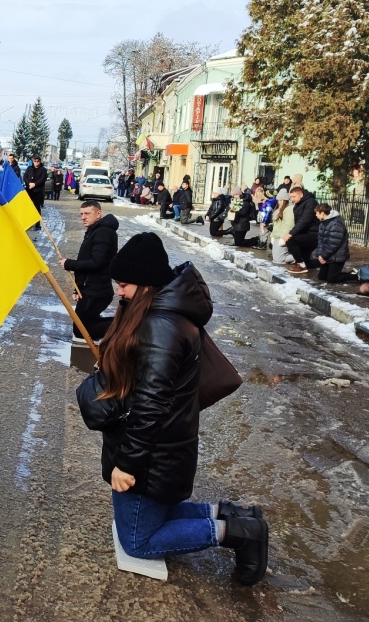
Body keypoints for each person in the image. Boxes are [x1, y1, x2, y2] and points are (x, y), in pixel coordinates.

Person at [76, 232, 269, 585]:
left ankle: (236, 532)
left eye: (125, 285)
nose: (119, 291)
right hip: (160, 448)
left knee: (137, 540)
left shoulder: (160, 326)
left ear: (148, 283)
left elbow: (151, 406)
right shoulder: (154, 312)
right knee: (153, 515)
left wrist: (127, 463)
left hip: (151, 454)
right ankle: (230, 514)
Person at [61, 201, 119, 342]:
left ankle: (126, 326)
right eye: (81, 214)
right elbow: (88, 260)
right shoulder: (95, 230)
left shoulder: (103, 232)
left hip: (97, 291)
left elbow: (96, 262)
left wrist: (70, 264)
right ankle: (122, 326)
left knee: (82, 330)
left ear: (98, 214)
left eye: (87, 213)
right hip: (91, 289)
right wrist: (77, 288)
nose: (83, 217)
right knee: (87, 324)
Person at [312, 204, 353, 283]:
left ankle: (355, 276)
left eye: (317, 213)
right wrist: (320, 255)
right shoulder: (323, 223)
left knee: (332, 278)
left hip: (337, 256)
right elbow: (320, 241)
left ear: (322, 213)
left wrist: (323, 256)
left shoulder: (336, 224)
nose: (316, 215)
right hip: (328, 255)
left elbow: (333, 244)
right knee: (322, 277)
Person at [285, 186, 320, 274]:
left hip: (314, 233)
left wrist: (291, 233)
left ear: (301, 195)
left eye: (294, 197)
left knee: (291, 240)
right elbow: (298, 221)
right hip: (305, 233)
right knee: (307, 262)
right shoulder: (298, 204)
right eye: (291, 197)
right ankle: (324, 264)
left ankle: (301, 265)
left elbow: (304, 220)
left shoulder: (311, 203)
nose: (292, 199)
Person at [269, 191, 296, 265]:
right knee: (276, 259)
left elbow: (288, 225)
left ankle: (300, 257)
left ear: (285, 200)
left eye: (281, 200)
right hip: (277, 236)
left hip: (282, 236)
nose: (279, 202)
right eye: (278, 200)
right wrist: (272, 236)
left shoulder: (289, 209)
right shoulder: (278, 210)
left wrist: (283, 238)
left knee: (279, 260)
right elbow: (276, 226)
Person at [24, 155, 47, 230]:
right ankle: (28, 223)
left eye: (38, 161)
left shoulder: (43, 170)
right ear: (33, 162)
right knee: (27, 207)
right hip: (29, 190)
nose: (36, 163)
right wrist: (29, 183)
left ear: (40, 162)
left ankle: (37, 224)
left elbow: (42, 179)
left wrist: (35, 184)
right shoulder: (29, 168)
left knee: (37, 208)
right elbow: (25, 177)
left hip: (38, 191)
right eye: (35, 161)